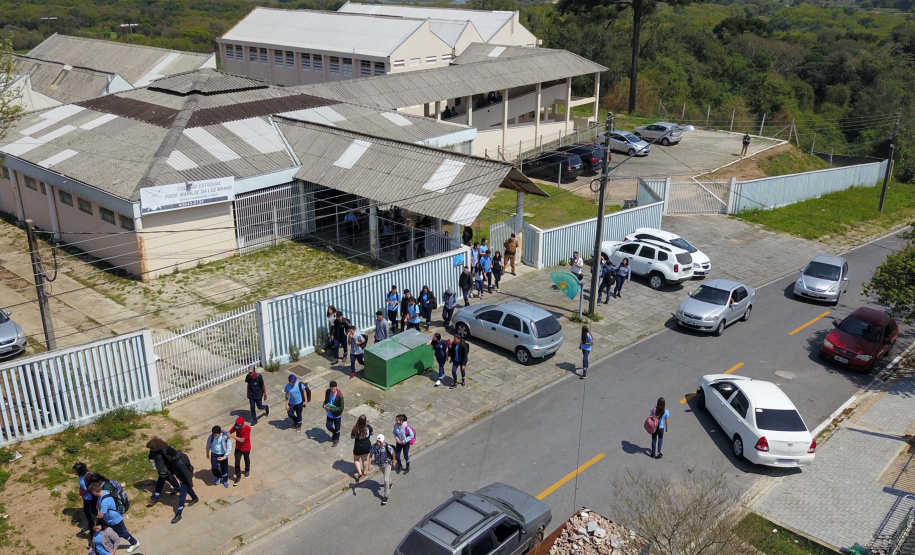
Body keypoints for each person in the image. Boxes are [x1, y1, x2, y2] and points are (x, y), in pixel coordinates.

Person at [90, 482, 139, 552]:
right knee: (119, 531)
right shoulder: (103, 493)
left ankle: (134, 542)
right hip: (112, 519)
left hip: (114, 520)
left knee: (122, 532)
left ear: (94, 492)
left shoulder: (104, 501)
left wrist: (98, 509)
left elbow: (100, 516)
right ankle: (123, 534)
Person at [164, 446, 198, 524]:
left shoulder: (180, 463)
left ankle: (179, 514)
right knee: (187, 488)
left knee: (182, 496)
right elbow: (173, 467)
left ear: (169, 456)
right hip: (183, 477)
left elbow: (186, 474)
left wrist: (190, 482)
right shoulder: (177, 457)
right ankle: (195, 498)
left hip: (186, 478)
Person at [146, 438, 179, 506]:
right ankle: (177, 488)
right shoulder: (153, 450)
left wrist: (171, 470)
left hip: (166, 471)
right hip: (160, 469)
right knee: (170, 479)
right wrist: (150, 459)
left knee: (159, 485)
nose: (151, 450)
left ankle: (155, 498)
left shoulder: (164, 451)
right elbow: (151, 455)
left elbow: (171, 460)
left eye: (152, 449)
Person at [369, 434, 395, 505]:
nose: (378, 443)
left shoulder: (387, 446)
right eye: (377, 441)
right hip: (380, 465)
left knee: (386, 480)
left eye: (380, 442)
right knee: (386, 476)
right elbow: (371, 454)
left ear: (383, 441)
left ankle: (385, 496)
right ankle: (391, 483)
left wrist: (394, 461)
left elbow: (393, 453)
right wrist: (369, 465)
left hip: (387, 464)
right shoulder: (374, 446)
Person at [350, 414, 373, 482]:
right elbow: (372, 433)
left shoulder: (355, 429)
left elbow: (352, 437)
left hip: (358, 447)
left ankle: (360, 472)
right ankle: (364, 471)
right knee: (364, 459)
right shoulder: (368, 427)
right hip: (366, 446)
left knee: (356, 459)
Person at [324, 381, 345, 446]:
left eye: (334, 389)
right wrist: (324, 405)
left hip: (337, 415)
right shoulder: (328, 392)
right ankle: (335, 433)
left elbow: (341, 407)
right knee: (328, 426)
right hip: (329, 414)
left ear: (336, 388)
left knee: (337, 428)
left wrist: (331, 409)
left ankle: (336, 439)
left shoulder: (340, 396)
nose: (333, 390)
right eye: (331, 389)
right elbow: (326, 401)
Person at [231, 417, 252, 484]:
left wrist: (233, 436)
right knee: (237, 462)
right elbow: (230, 431)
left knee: (246, 459)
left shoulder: (247, 428)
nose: (237, 427)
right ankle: (238, 477)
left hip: (246, 448)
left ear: (242, 424)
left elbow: (242, 440)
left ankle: (247, 470)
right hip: (238, 448)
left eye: (238, 426)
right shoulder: (236, 426)